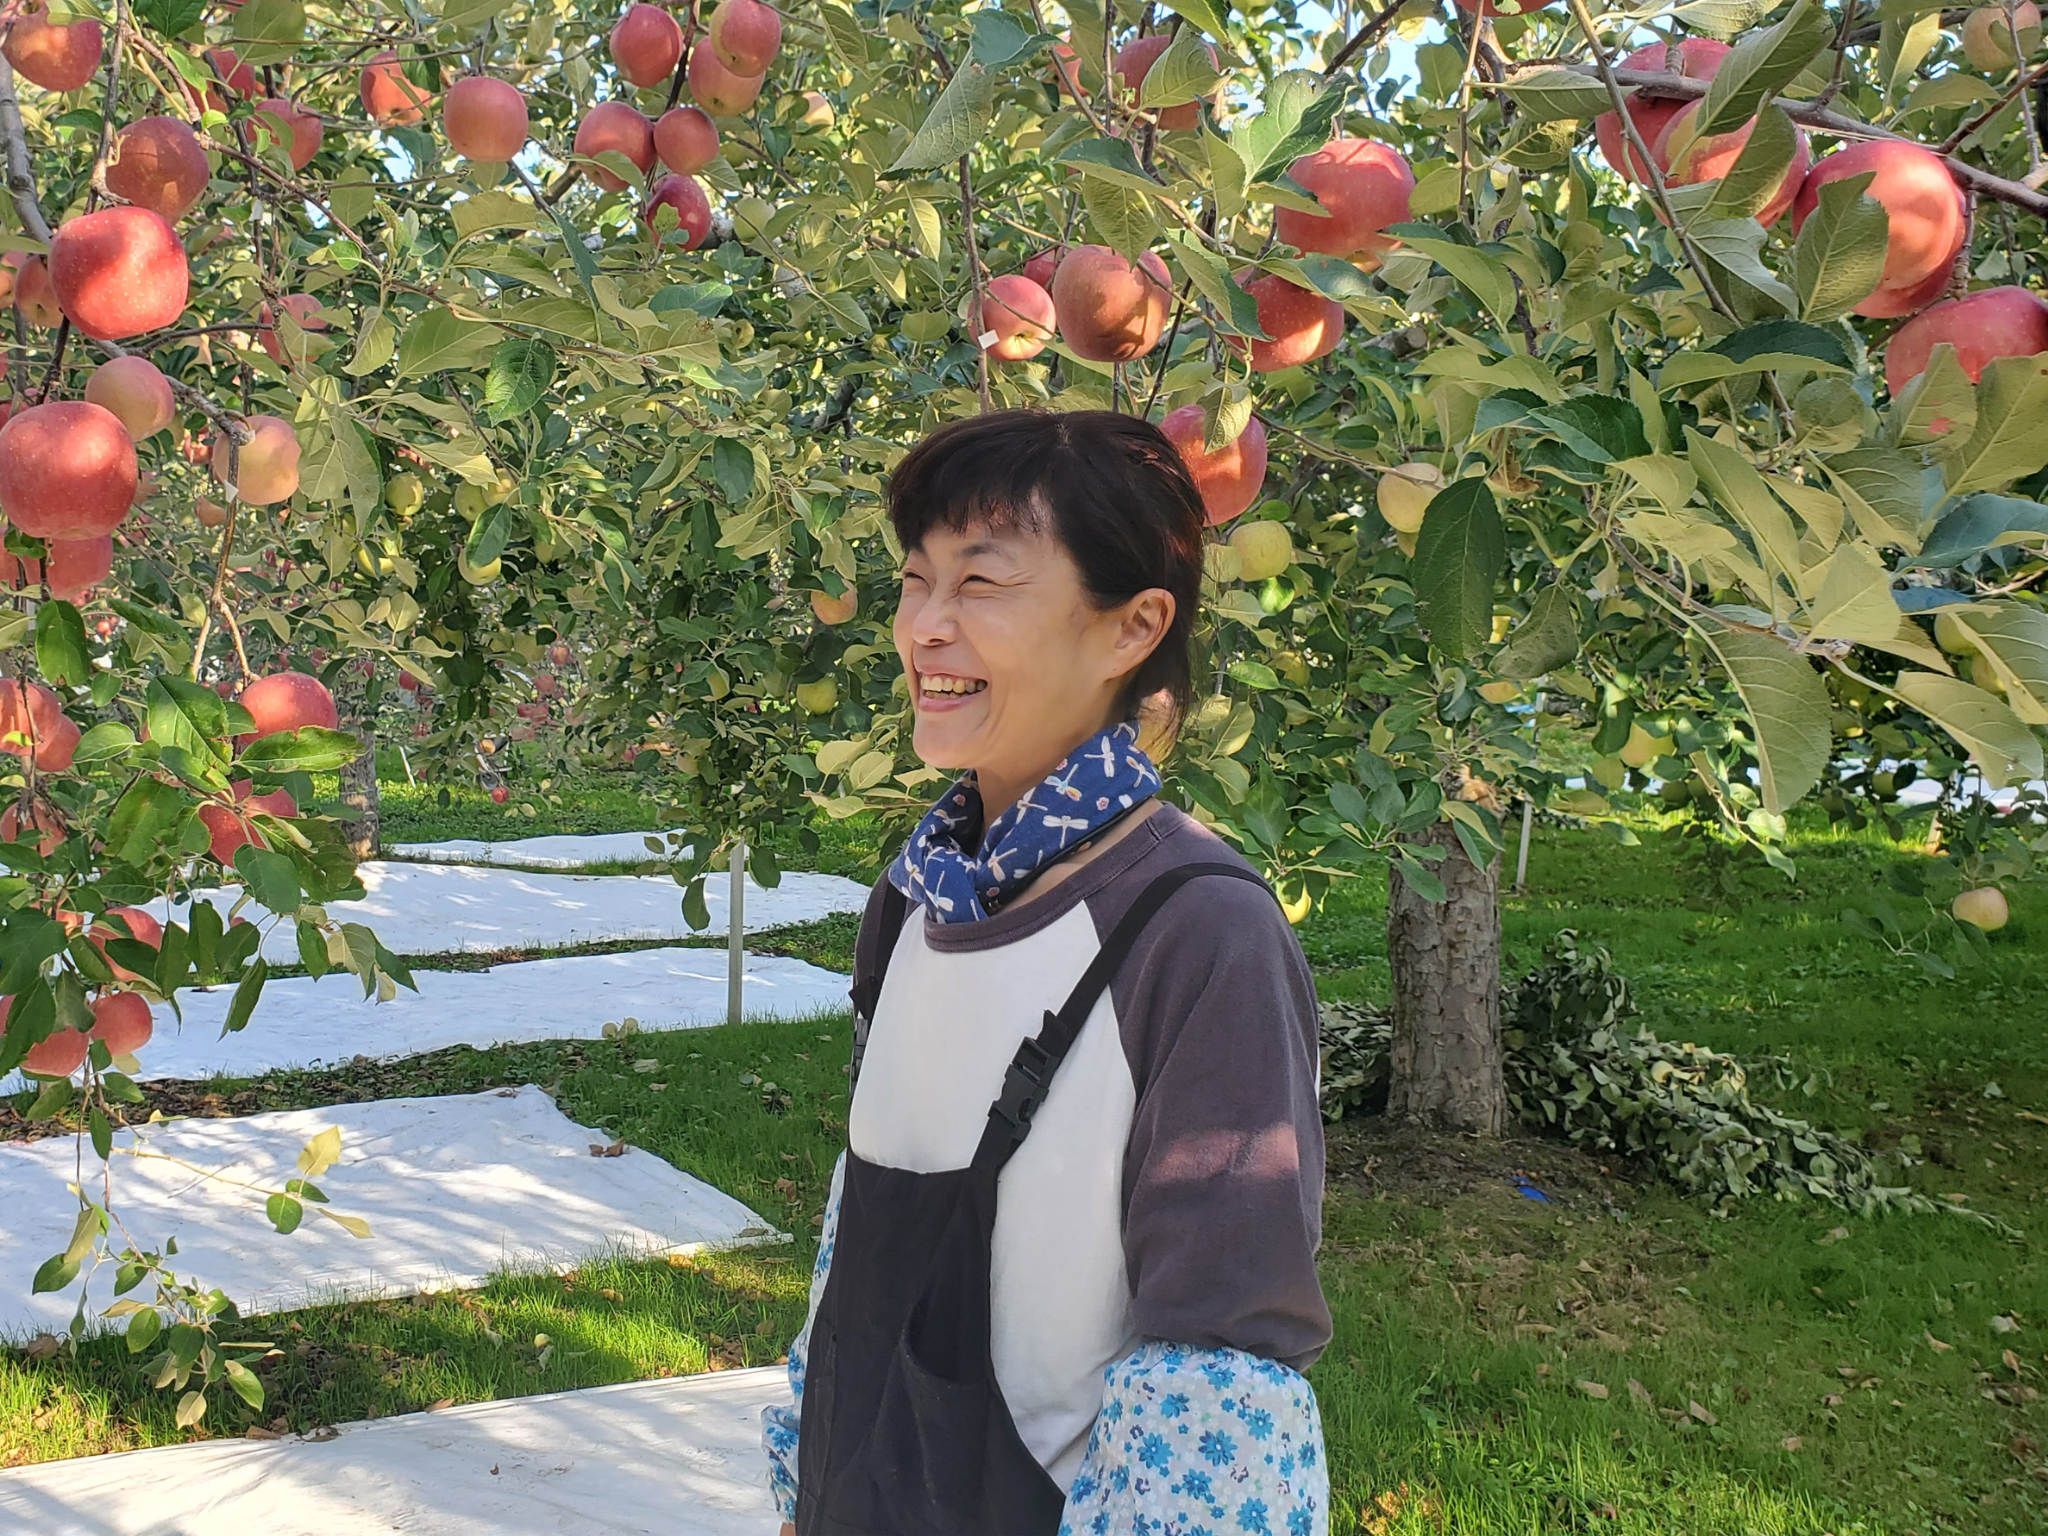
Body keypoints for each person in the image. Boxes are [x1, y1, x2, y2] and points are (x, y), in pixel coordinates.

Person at [762, 409, 1331, 1535]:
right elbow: (861, 1224)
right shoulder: (915, 900)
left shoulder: (1194, 932)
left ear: (1132, 627)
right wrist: (801, 1487)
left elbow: (1220, 1360)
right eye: (915, 581)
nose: (924, 626)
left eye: (981, 583)